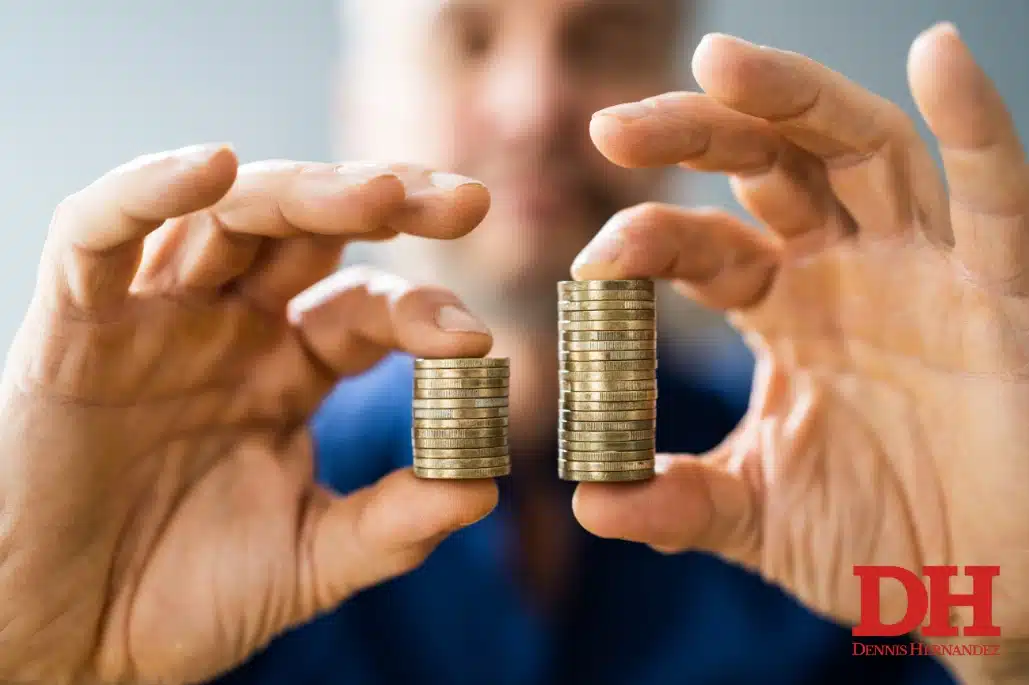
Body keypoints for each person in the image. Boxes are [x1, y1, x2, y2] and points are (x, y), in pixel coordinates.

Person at [0, 0, 1026, 683]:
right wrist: (36, 654)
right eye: (467, 36)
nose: (536, 103)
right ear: (359, 101)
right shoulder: (168, 527)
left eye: (599, 35)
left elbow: (955, 634)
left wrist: (1003, 627)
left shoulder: (873, 531)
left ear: (670, 77)